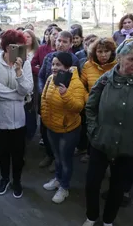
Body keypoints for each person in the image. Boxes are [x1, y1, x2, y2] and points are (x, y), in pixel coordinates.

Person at [82, 39, 133, 226]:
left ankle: (109, 220)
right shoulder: (104, 81)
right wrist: (94, 131)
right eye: (131, 59)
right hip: (101, 142)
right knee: (92, 184)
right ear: (120, 57)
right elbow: (90, 108)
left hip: (128, 147)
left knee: (118, 188)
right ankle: (92, 216)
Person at [0, 29, 33, 198]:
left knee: (18, 153)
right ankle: (4, 178)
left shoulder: (25, 63)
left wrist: (19, 72)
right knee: (3, 152)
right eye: (16, 47)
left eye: (22, 47)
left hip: (18, 119)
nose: (20, 51)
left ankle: (17, 181)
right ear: (6, 47)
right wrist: (17, 96)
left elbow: (27, 88)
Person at [41, 52, 85, 204]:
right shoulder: (49, 79)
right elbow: (44, 99)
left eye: (58, 64)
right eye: (53, 64)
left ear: (67, 67)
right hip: (52, 127)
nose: (54, 67)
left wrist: (65, 94)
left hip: (68, 130)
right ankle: (58, 179)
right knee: (57, 157)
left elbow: (78, 107)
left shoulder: (75, 83)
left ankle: (64, 187)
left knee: (65, 160)